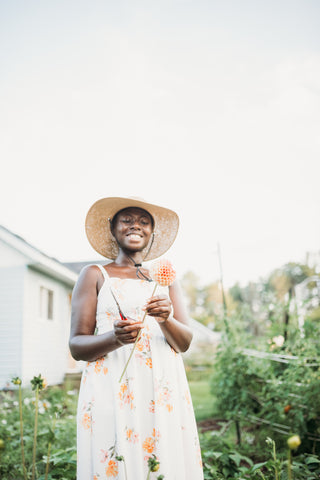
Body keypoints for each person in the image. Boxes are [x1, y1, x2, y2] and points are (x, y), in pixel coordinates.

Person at [69, 196, 204, 480]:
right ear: (113, 228)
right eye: (127, 220)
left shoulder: (164, 279)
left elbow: (184, 343)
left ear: (152, 233)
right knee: (116, 458)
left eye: (144, 222)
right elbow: (77, 346)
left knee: (162, 461)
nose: (136, 226)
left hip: (162, 387)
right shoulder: (95, 274)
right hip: (111, 385)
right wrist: (114, 339)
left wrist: (165, 318)